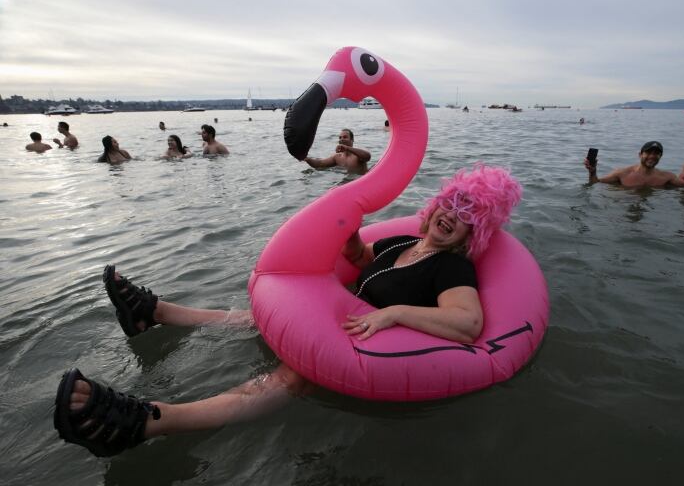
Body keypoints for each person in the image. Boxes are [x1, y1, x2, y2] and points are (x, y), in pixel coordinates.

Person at [53, 164, 522, 457]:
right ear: (439, 201)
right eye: (453, 204)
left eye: (467, 216)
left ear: (471, 235)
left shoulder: (451, 269)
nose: (452, 216)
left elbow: (468, 324)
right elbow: (362, 263)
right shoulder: (404, 240)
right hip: (345, 313)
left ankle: (149, 421)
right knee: (257, 318)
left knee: (291, 375)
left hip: (367, 340)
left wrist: (394, 313)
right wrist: (349, 234)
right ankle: (156, 314)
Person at [584, 141, 684, 188]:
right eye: (648, 152)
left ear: (661, 156)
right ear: (640, 155)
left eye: (656, 154)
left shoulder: (667, 177)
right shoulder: (622, 173)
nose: (652, 156)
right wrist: (592, 171)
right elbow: (595, 183)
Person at [304, 129, 370, 174]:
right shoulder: (337, 157)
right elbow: (320, 164)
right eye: (340, 137)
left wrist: (347, 148)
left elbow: (367, 157)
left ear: (352, 140)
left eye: (345, 137)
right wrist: (307, 159)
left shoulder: (357, 155)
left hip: (360, 183)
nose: (342, 139)